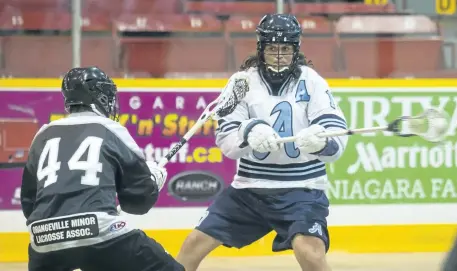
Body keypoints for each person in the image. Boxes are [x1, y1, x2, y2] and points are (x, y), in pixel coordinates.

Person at [176, 14, 348, 271]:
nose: (279, 55)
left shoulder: (312, 82)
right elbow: (227, 142)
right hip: (249, 190)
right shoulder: (241, 83)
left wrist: (320, 142)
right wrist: (249, 132)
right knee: (193, 245)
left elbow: (337, 138)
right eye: (272, 49)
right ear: (261, 48)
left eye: (285, 49)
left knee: (309, 253)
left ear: (295, 49)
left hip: (302, 190)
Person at [21, 67, 185, 271]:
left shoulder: (42, 135)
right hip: (100, 234)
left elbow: (29, 203)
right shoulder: (112, 130)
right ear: (98, 96)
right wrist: (153, 181)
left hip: (43, 240)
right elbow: (138, 203)